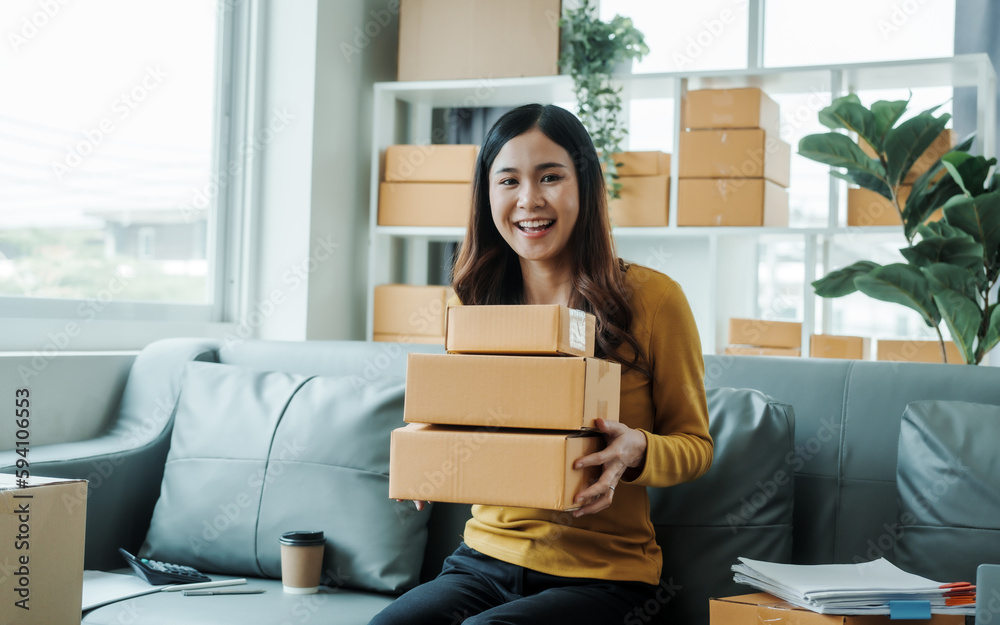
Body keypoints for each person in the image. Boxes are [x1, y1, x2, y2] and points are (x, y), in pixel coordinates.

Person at [369, 103, 713, 625]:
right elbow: (464, 417)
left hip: (604, 577)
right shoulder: (474, 302)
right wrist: (428, 445)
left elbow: (696, 446)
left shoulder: (655, 300)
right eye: (508, 180)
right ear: (487, 195)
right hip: (484, 559)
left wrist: (637, 449)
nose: (529, 199)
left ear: (585, 186)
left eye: (550, 177)